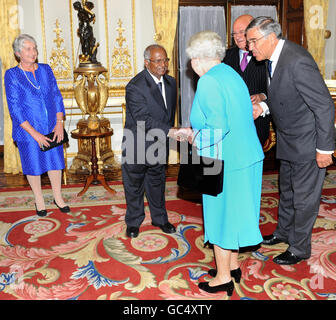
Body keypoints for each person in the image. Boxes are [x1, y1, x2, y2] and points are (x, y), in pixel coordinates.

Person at [179, 31, 264, 296]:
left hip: (225, 161)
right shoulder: (230, 73)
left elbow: (218, 127)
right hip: (247, 156)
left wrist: (193, 138)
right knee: (236, 216)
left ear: (197, 59)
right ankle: (234, 265)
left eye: (191, 60)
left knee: (221, 218)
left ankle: (224, 277)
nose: (191, 65)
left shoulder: (208, 81)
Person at [246, 17, 335, 265]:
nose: (249, 47)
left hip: (308, 143)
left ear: (270, 38)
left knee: (304, 198)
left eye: (253, 41)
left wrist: (325, 149)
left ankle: (299, 248)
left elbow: (324, 106)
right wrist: (263, 106)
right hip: (289, 139)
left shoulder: (298, 61)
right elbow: (285, 95)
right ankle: (283, 232)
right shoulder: (272, 59)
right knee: (287, 192)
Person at [4, 34, 70, 217]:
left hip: (51, 126)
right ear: (18, 53)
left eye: (34, 48)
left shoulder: (45, 69)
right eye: (28, 49)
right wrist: (36, 135)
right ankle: (39, 199)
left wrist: (59, 123)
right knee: (33, 165)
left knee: (55, 164)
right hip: (28, 131)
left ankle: (58, 197)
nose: (33, 52)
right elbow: (15, 109)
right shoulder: (12, 75)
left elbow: (56, 96)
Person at [122, 44, 179, 238]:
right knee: (134, 186)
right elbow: (141, 119)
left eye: (165, 60)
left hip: (159, 144)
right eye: (158, 61)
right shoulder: (135, 86)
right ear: (147, 63)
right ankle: (133, 222)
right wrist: (170, 131)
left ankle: (160, 219)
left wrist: (168, 133)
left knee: (157, 183)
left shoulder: (171, 83)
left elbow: (168, 114)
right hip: (136, 143)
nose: (163, 64)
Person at [224, 14, 270, 146]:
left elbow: (278, 90)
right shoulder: (226, 56)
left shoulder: (265, 56)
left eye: (241, 32)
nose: (237, 37)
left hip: (257, 124)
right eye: (234, 33)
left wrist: (263, 96)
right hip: (231, 125)